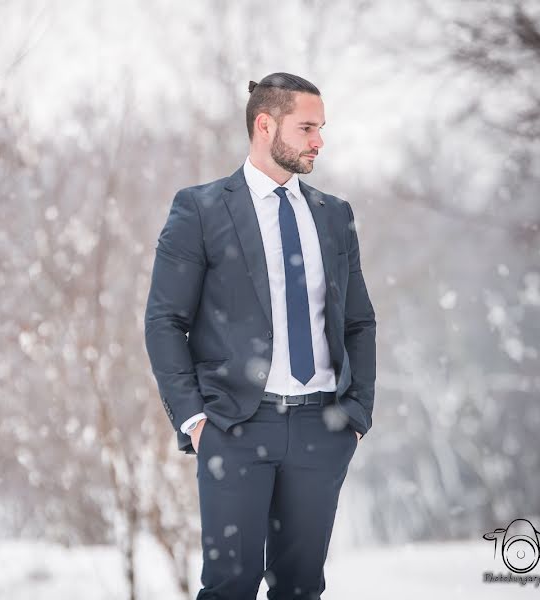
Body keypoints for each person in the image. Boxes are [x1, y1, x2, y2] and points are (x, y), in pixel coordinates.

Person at [144, 72, 377, 599]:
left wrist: (356, 416)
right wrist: (196, 420)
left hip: (323, 426)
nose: (320, 141)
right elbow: (164, 322)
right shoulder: (200, 210)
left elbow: (359, 322)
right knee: (230, 587)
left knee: (300, 589)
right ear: (265, 125)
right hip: (235, 427)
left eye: (321, 128)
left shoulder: (334, 216)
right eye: (308, 127)